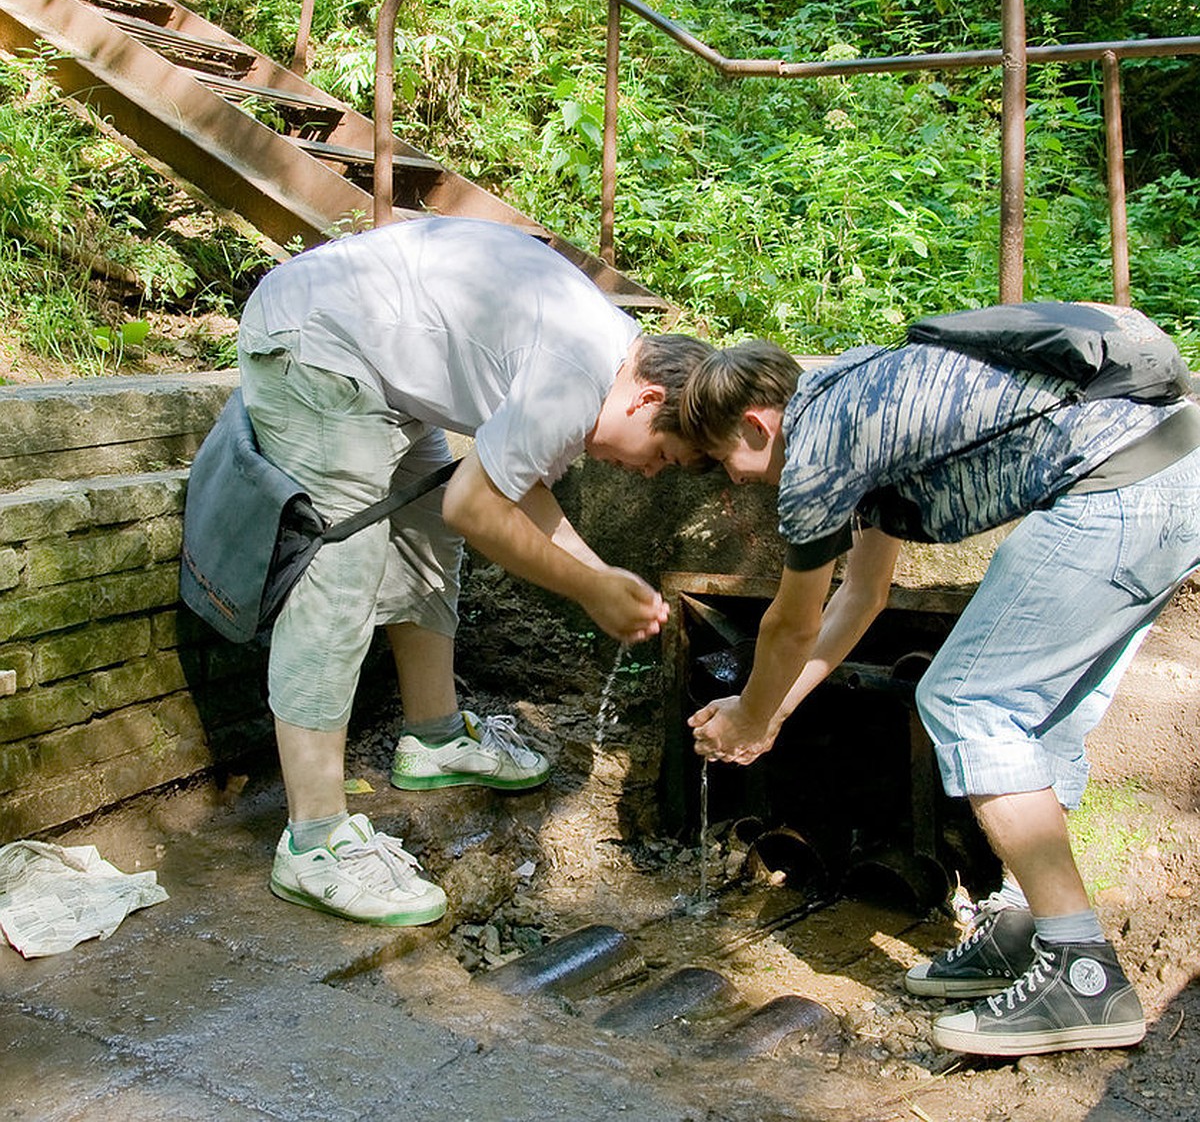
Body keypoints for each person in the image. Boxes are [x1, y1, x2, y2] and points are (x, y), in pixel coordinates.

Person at [679, 309, 1200, 1057]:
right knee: (1039, 716)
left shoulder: (817, 448)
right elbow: (862, 596)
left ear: (758, 425)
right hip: (1172, 473)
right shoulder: (852, 399)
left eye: (723, 458)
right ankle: (1027, 930)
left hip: (1116, 491)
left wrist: (750, 715)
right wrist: (773, 711)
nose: (731, 480)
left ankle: (1083, 977)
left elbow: (790, 624)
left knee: (967, 699)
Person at [236, 216, 712, 928]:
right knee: (339, 576)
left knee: (427, 541)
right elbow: (476, 506)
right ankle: (314, 841)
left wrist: (599, 573)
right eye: (662, 456)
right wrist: (586, 586)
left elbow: (515, 487)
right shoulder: (578, 375)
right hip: (316, 348)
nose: (645, 474)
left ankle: (433, 740)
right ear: (646, 399)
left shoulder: (602, 352)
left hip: (375, 363)